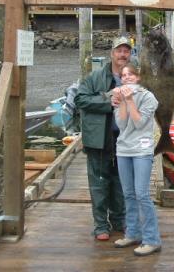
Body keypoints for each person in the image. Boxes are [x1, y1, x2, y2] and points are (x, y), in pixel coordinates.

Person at [74, 36, 132, 241]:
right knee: (99, 183)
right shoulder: (94, 77)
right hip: (100, 138)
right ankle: (100, 225)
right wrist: (108, 98)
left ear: (130, 54)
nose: (123, 54)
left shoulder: (132, 77)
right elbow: (80, 99)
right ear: (112, 53)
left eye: (126, 51)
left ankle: (119, 219)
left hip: (125, 140)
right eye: (119, 50)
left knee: (121, 182)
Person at [111, 63, 162, 256]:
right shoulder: (118, 97)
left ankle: (152, 239)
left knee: (142, 195)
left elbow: (140, 123)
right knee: (128, 194)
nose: (126, 78)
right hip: (123, 150)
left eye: (130, 75)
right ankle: (132, 233)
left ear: (138, 77)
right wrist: (122, 100)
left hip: (142, 150)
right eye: (123, 76)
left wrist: (130, 99)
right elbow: (122, 125)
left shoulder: (149, 97)